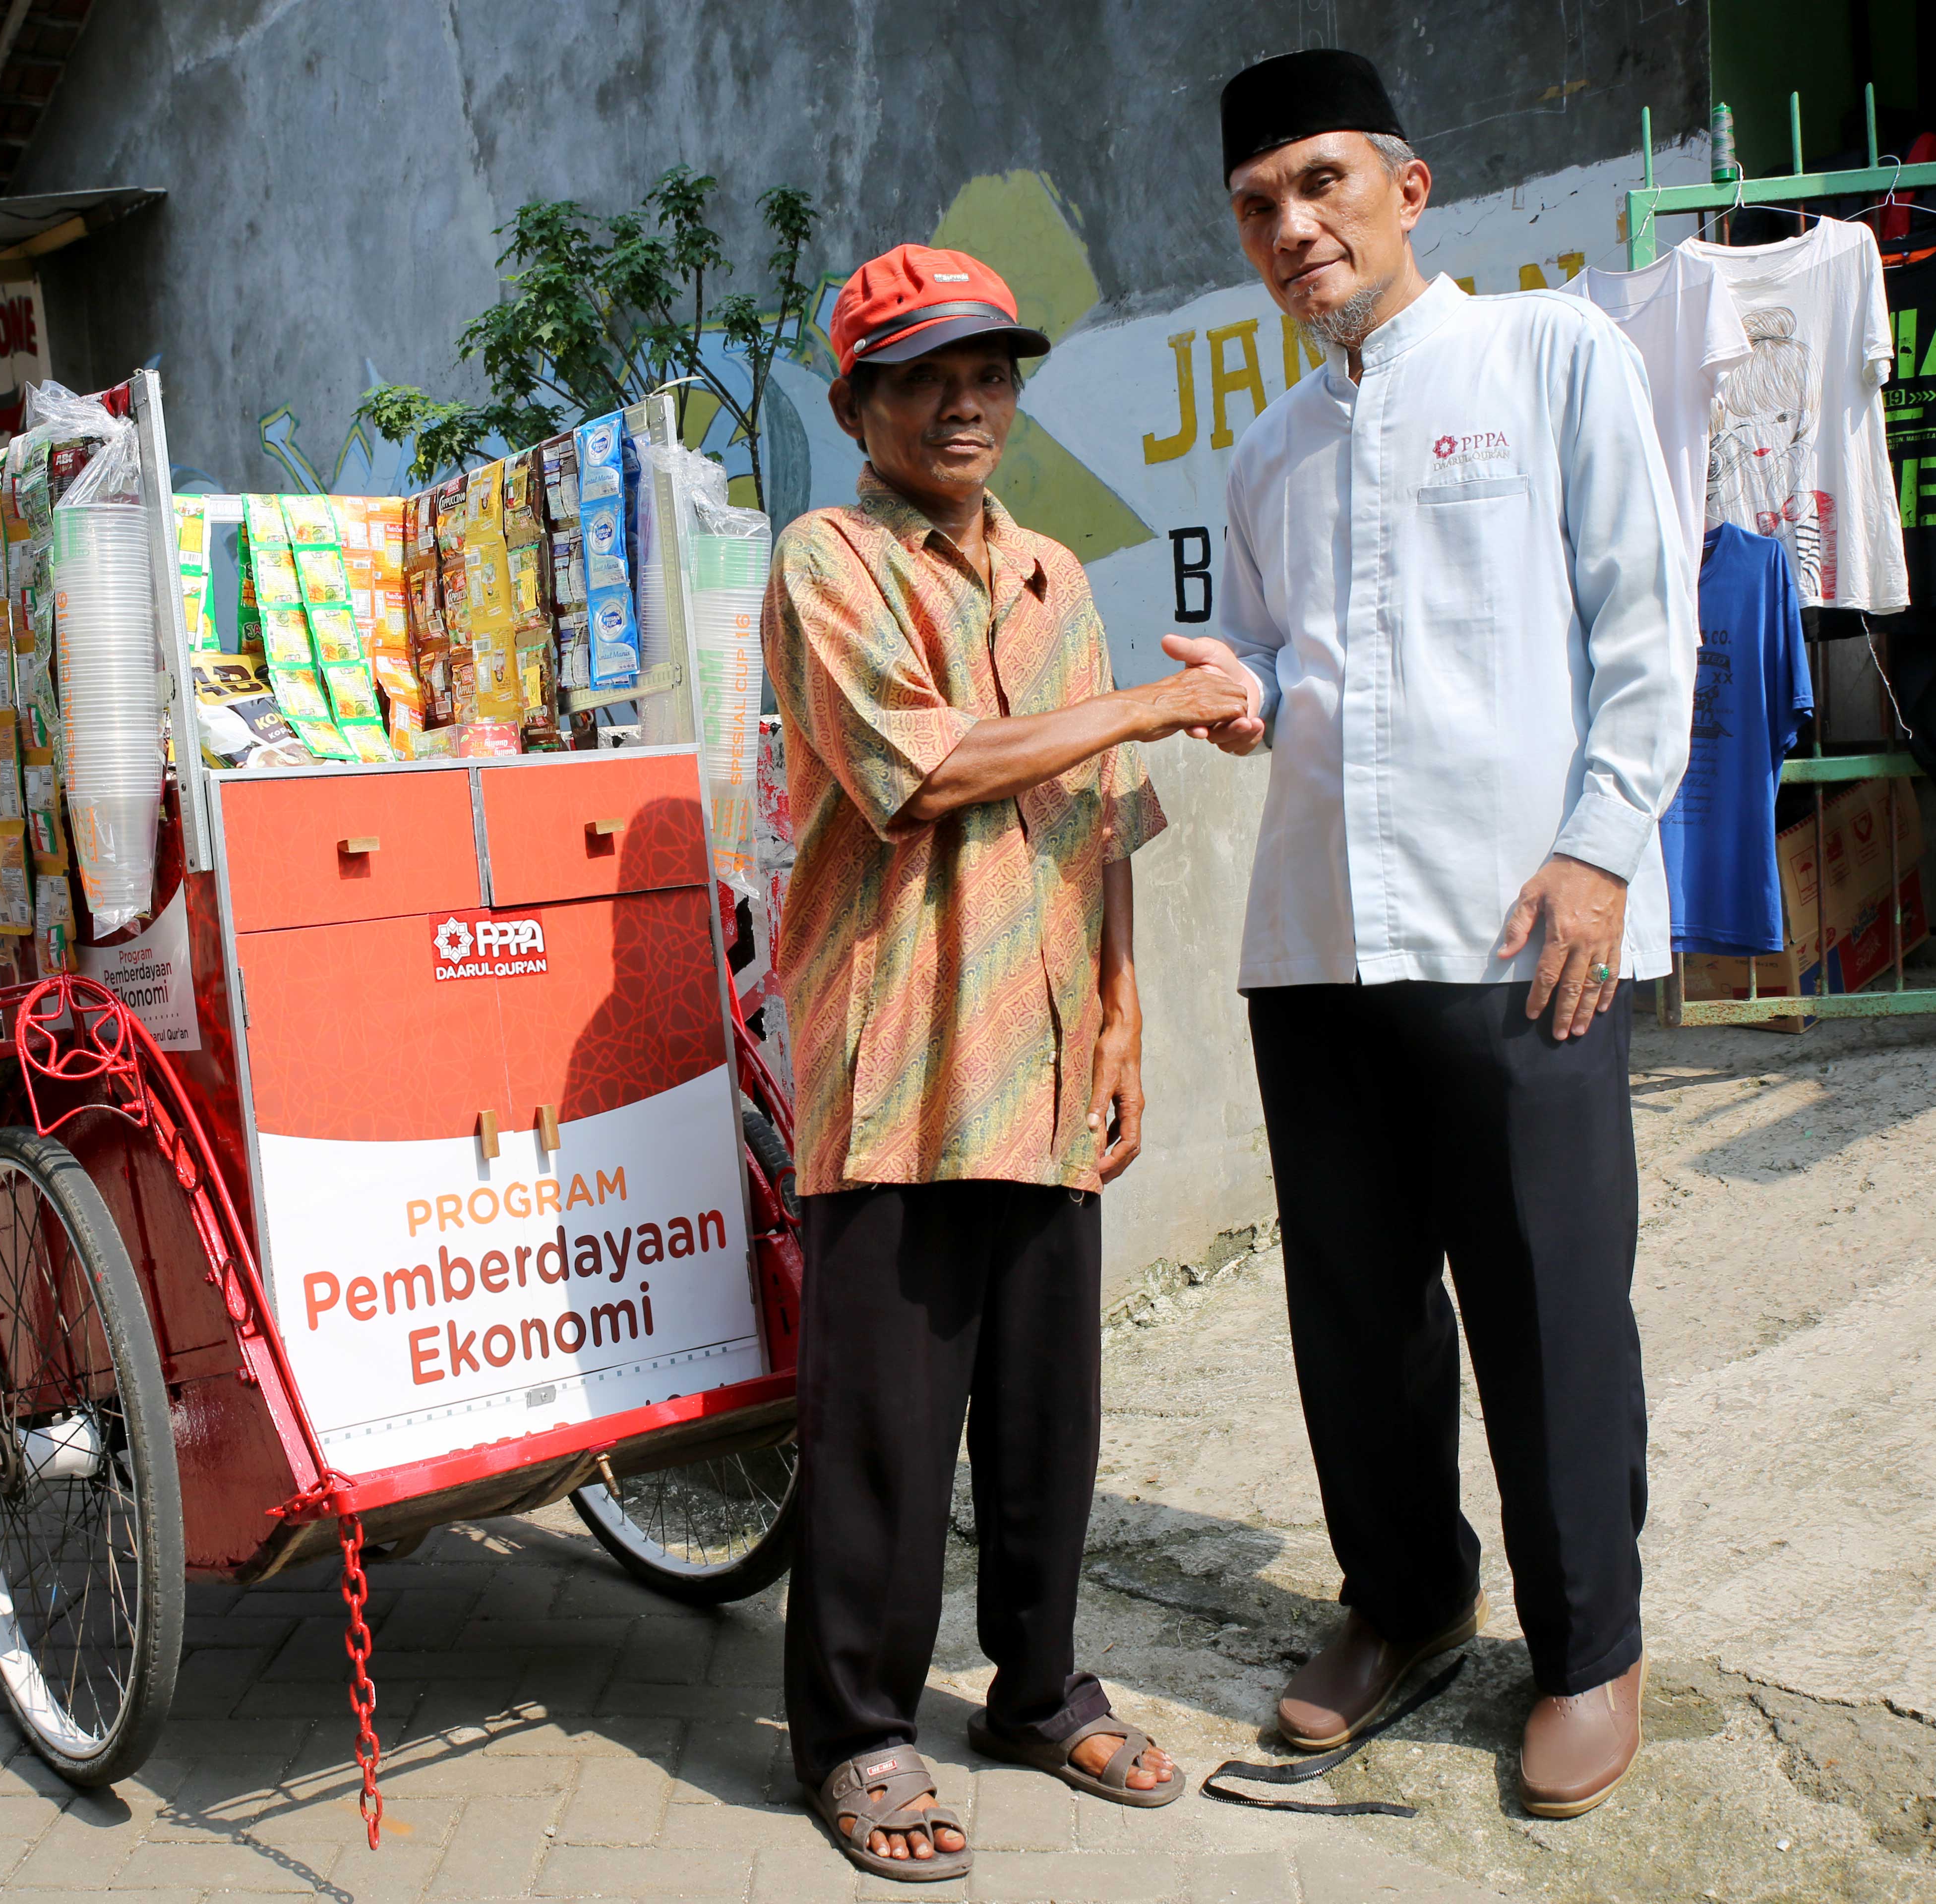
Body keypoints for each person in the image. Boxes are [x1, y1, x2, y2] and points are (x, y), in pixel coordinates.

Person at [1162, 51, 1695, 1818]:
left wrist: (1602, 855)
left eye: (1321, 183)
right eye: (1259, 205)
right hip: (1318, 942)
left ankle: (1589, 1647)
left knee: (1549, 1308)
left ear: (1408, 182)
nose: (1293, 227)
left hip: (1517, 922)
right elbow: (1282, 665)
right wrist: (1246, 701)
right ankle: (1406, 1598)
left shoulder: (1551, 359)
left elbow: (1644, 622)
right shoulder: (1268, 452)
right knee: (1357, 1322)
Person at [764, 241, 1246, 1881]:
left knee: (1048, 1415)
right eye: (926, 376)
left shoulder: (1056, 572)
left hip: (1041, 1048)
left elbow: (1100, 826)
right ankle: (857, 1732)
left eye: (992, 372)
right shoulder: (825, 560)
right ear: (861, 404)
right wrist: (1141, 711)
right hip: (897, 1055)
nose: (967, 401)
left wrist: (1121, 1018)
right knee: (887, 1428)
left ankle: (1035, 1694)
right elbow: (930, 768)